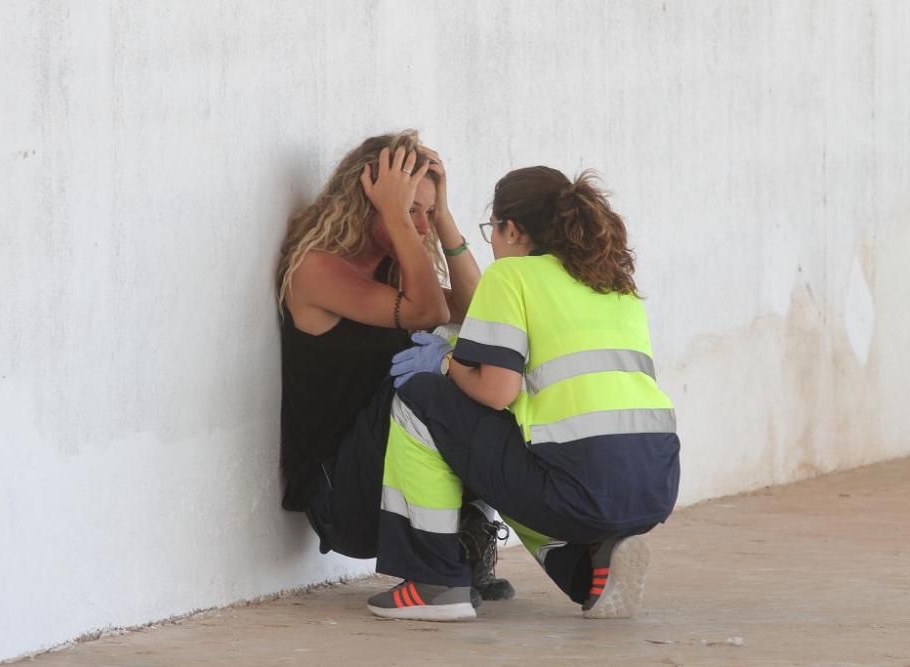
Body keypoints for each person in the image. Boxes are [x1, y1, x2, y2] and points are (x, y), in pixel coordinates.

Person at [366, 167, 681, 621]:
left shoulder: (512, 276)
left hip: (577, 492)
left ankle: (433, 581)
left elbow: (496, 391)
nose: (492, 241)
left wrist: (443, 362)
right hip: (653, 485)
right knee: (522, 449)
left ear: (510, 229)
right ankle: (594, 566)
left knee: (419, 397)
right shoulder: (613, 284)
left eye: (491, 229)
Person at [276, 130, 514, 600]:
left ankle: (467, 535)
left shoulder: (392, 272)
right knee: (431, 376)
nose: (420, 227)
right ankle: (440, 559)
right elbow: (430, 313)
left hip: (389, 483)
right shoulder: (316, 270)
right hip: (341, 499)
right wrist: (396, 218)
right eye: (411, 211)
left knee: (489, 370)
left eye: (426, 213)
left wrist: (443, 218)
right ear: (369, 202)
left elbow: (479, 313)